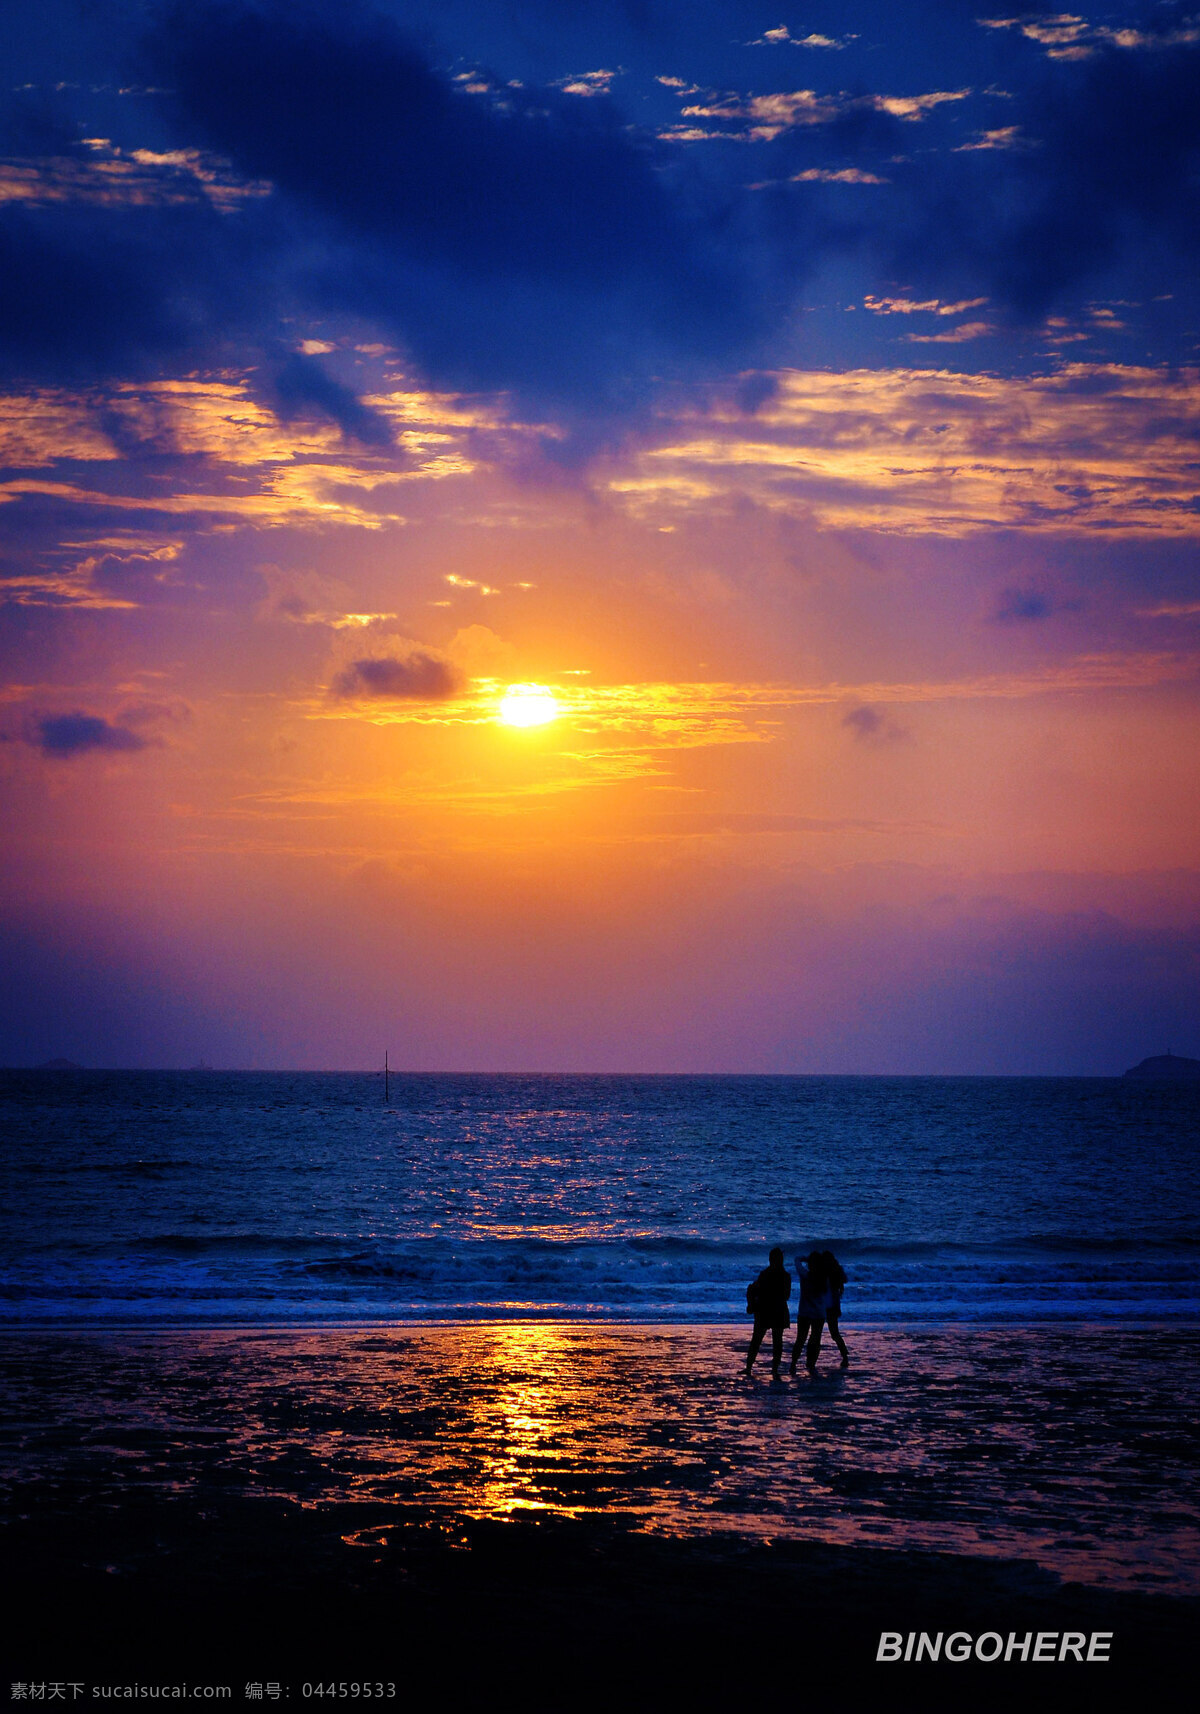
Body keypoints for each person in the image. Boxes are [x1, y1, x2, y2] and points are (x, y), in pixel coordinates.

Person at [744, 1246, 791, 1379]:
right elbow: (786, 1296)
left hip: (764, 1310)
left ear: (771, 1260)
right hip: (779, 1310)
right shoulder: (786, 1276)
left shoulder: (765, 1274)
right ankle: (774, 1370)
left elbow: (755, 1290)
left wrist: (752, 1304)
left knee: (757, 1340)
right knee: (777, 1341)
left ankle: (748, 1368)